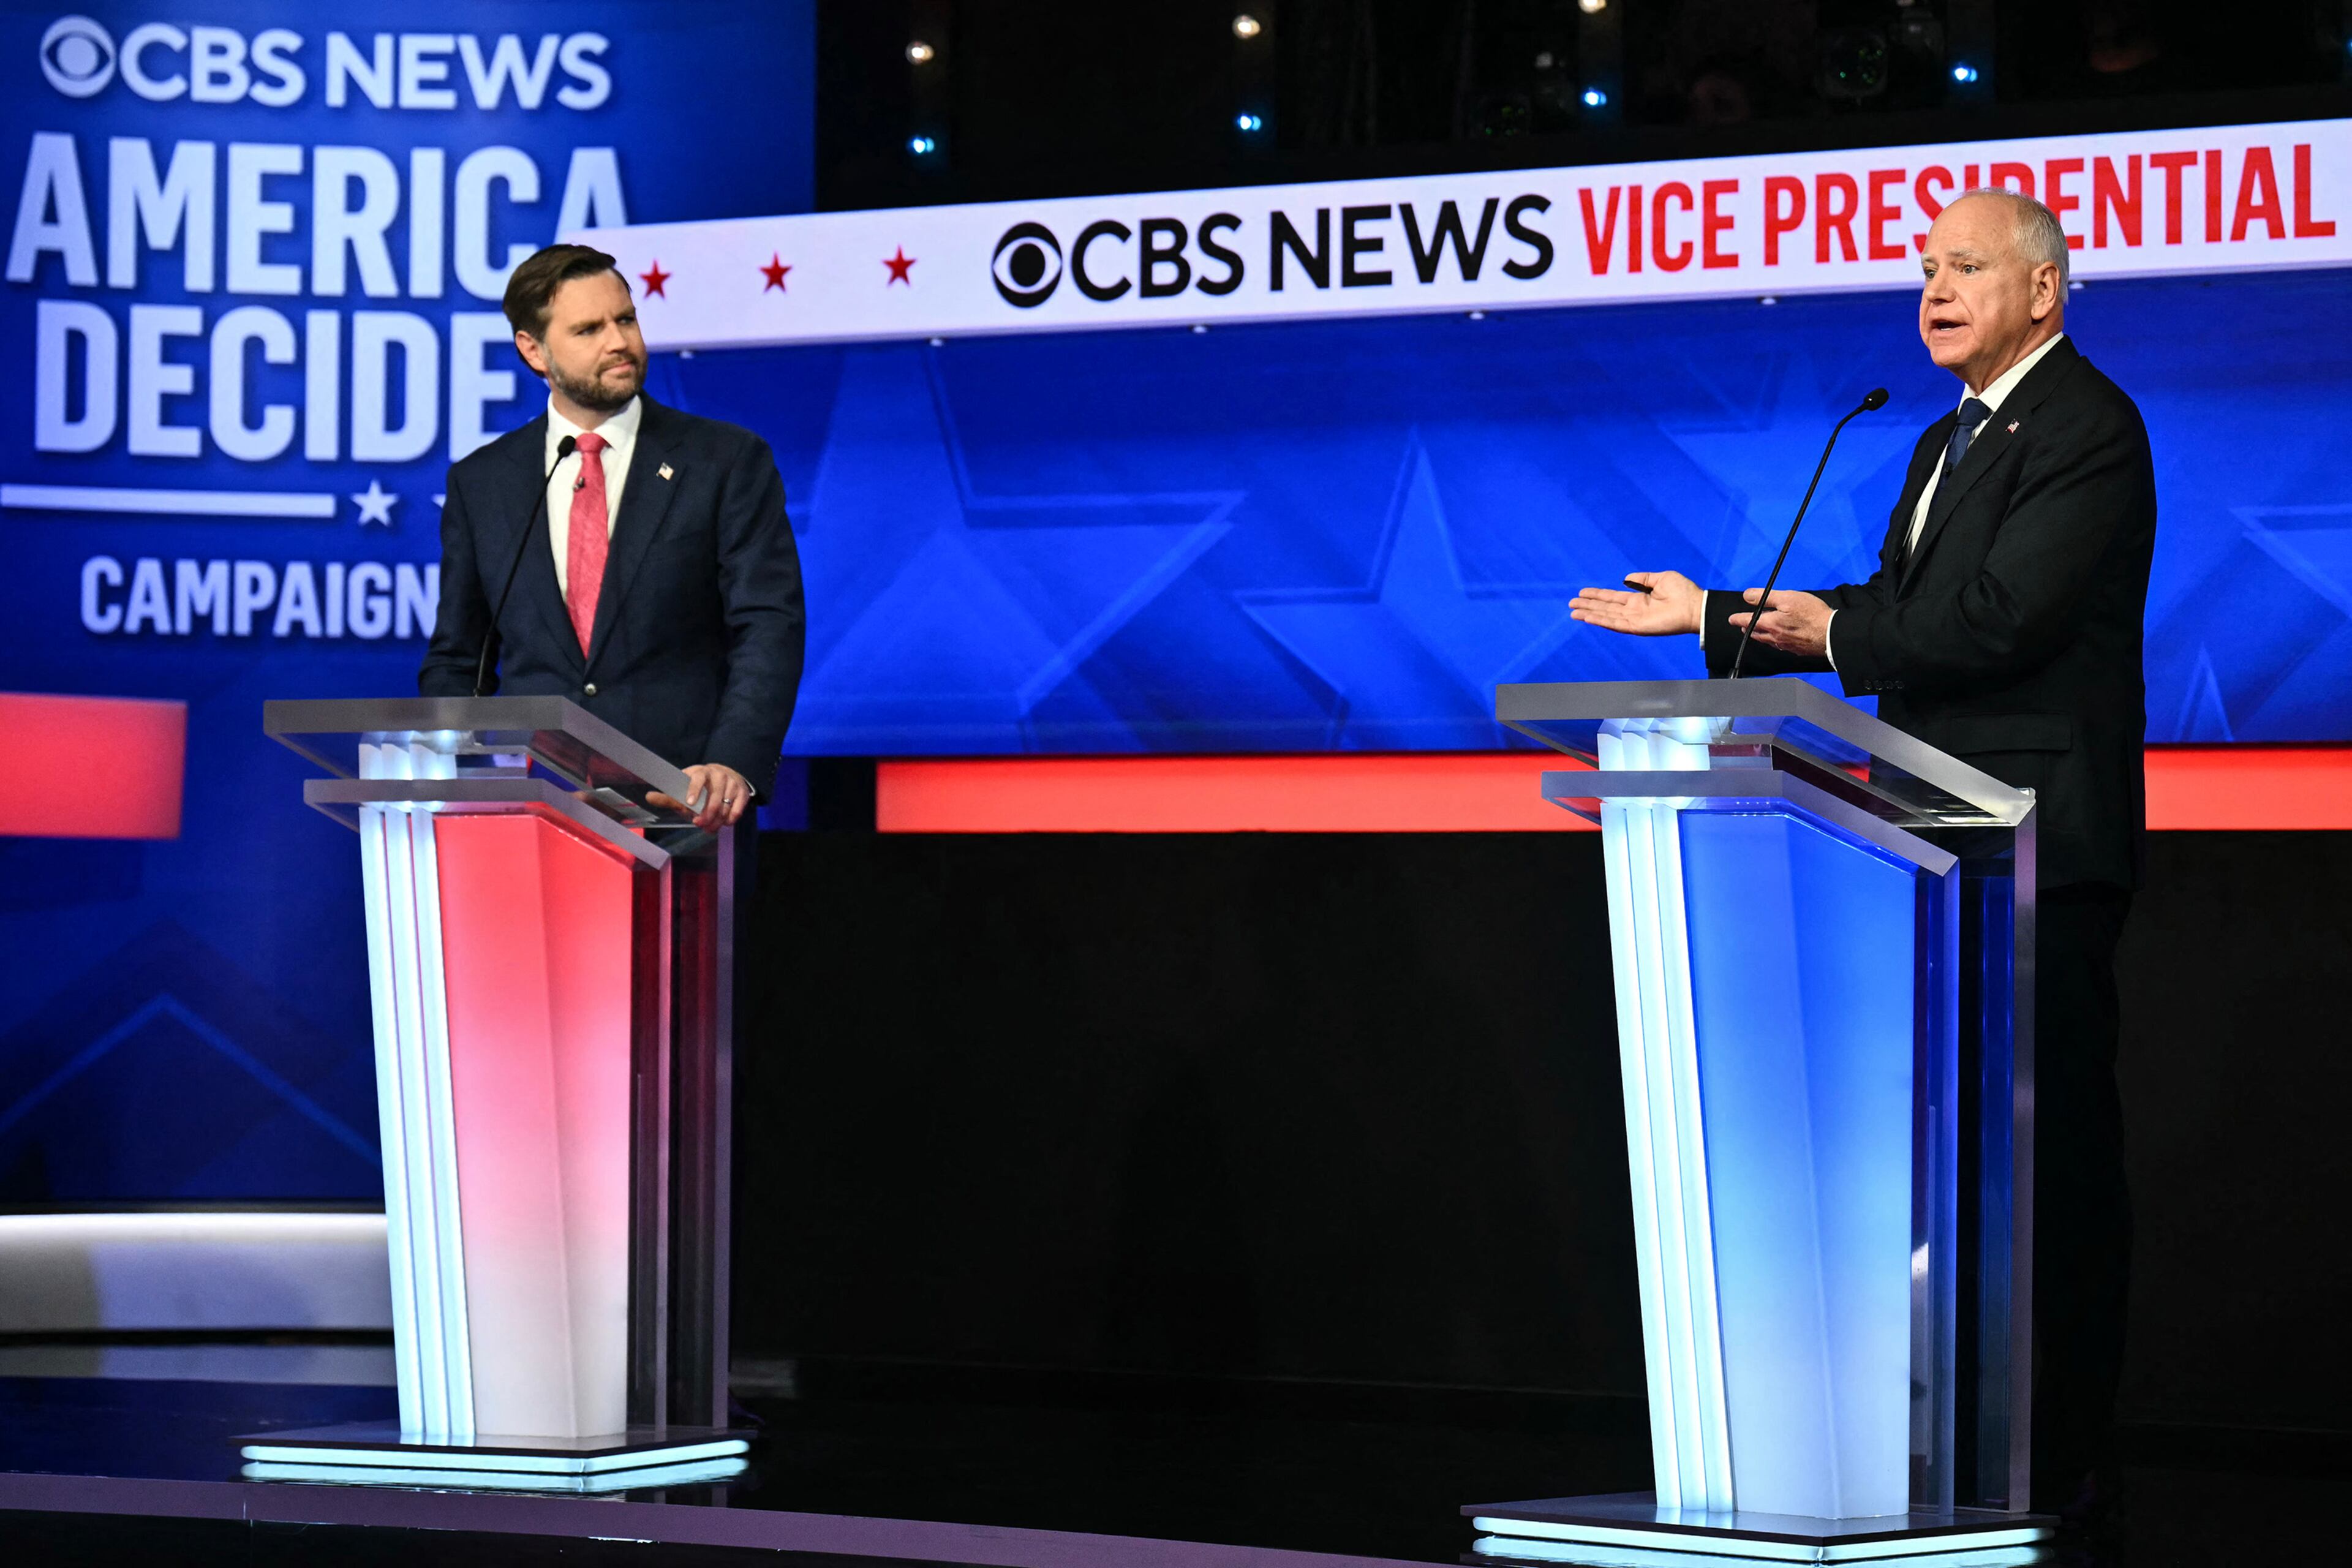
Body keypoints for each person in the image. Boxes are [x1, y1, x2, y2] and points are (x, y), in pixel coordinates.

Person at [1568, 189, 2156, 1521]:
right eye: (1925, 268)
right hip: (1931, 841)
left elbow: (1997, 621)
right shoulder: (1945, 436)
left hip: (2037, 847)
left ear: (2044, 290)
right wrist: (1715, 614)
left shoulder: (2089, 426)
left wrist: (1831, 634)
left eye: (1965, 267)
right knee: (1949, 1171)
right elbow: (1895, 608)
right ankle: (1952, 1454)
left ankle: (2066, 1462)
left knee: (2051, 1165)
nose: (1934, 290)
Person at [420, 244, 804, 829]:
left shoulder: (724, 462)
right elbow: (459, 658)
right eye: (589, 329)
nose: (619, 341)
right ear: (533, 350)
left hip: (685, 810)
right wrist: (448, 775)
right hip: (531, 815)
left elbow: (768, 626)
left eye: (625, 319)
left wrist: (732, 762)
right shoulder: (482, 483)